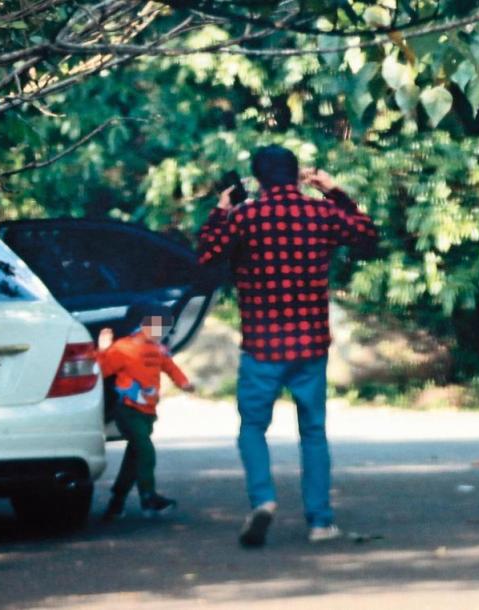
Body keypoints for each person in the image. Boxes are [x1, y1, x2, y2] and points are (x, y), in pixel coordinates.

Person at [197, 145, 378, 547]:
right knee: (313, 432)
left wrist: (221, 210)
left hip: (262, 345)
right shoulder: (323, 214)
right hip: (310, 345)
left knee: (253, 429)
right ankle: (320, 521)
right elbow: (367, 234)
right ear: (298, 175)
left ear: (257, 179)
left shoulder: (244, 217)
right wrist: (334, 192)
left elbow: (207, 256)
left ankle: (263, 499)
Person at [98, 300, 195, 520]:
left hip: (148, 412)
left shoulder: (158, 350)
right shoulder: (123, 348)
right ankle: (148, 497)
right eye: (156, 325)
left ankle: (116, 502)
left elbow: (172, 368)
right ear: (141, 324)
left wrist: (184, 383)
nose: (161, 331)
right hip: (128, 409)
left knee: (135, 455)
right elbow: (102, 371)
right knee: (145, 450)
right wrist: (103, 349)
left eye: (165, 327)